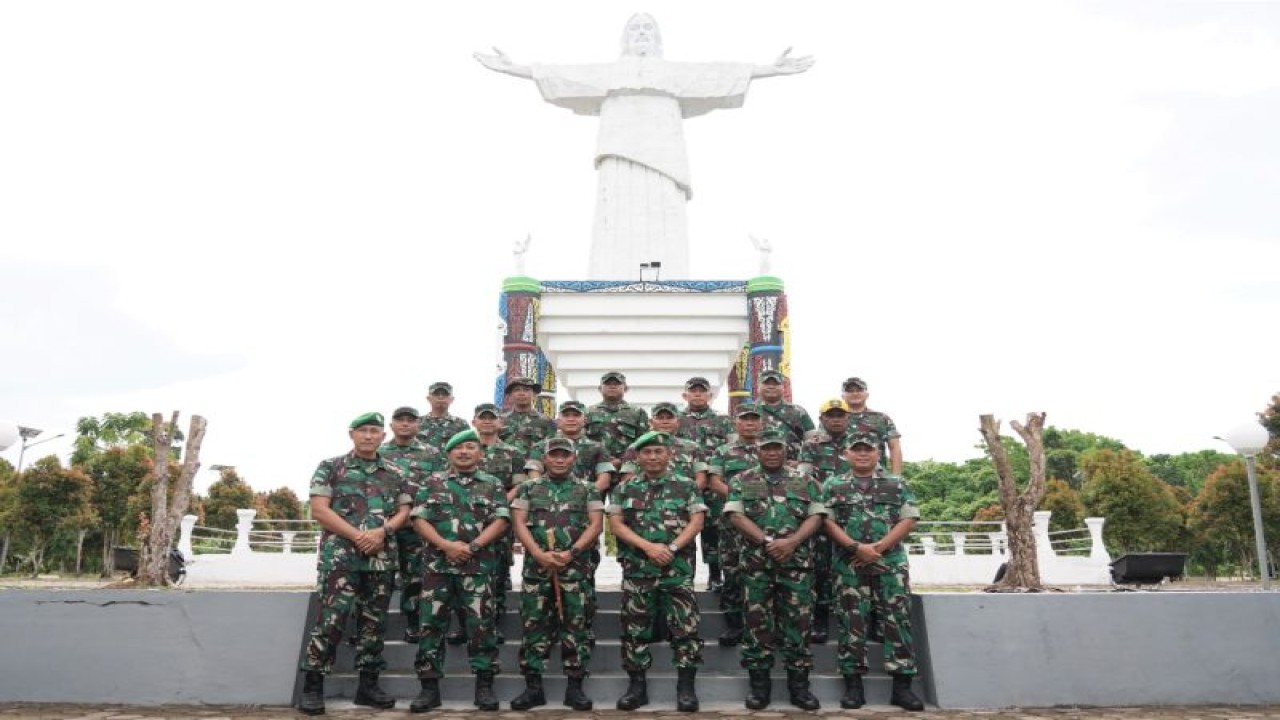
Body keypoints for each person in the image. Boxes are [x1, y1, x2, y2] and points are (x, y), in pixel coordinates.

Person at [474, 14, 813, 280]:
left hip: (665, 155)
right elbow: (562, 75)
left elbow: (717, 74)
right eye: (634, 28)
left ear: (658, 38)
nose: (641, 33)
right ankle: (610, 278)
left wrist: (769, 70)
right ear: (624, 37)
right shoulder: (608, 73)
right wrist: (514, 68)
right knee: (616, 209)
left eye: (647, 28)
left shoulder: (672, 73)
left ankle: (669, 279)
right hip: (618, 155)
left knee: (665, 207)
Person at [297, 412, 411, 716]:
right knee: (331, 620)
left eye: (375, 431)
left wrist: (382, 532)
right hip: (341, 559)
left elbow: (404, 511)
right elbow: (320, 510)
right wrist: (358, 536)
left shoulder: (395, 472)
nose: (369, 436)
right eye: (363, 431)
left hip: (381, 558)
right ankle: (313, 685)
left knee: (374, 624)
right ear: (352, 434)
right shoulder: (331, 467)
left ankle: (368, 686)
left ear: (383, 437)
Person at [408, 429, 510, 713]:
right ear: (449, 453)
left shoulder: (492, 484)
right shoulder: (432, 482)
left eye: (470, 447)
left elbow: (501, 520)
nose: (464, 452)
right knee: (430, 626)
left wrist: (473, 546)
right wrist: (446, 546)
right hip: (437, 568)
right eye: (458, 448)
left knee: (481, 627)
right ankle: (429, 689)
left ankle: (485, 686)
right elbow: (418, 519)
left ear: (480, 452)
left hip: (477, 567)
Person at [822, 433, 924, 711]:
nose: (863, 454)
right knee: (851, 623)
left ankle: (902, 688)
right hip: (849, 565)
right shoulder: (834, 484)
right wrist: (856, 547)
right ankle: (853, 686)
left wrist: (878, 548)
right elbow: (826, 521)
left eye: (868, 450)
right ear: (846, 454)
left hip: (890, 565)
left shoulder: (896, 482)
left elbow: (909, 517)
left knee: (897, 622)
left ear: (878, 454)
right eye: (857, 450)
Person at [725, 429, 825, 710]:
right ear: (758, 450)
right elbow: (735, 514)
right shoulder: (741, 480)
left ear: (785, 451)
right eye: (766, 448)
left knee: (799, 625)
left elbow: (816, 515)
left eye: (776, 448)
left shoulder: (806, 481)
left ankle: (800, 688)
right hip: (757, 565)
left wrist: (792, 542)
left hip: (797, 566)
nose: (772, 453)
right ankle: (759, 687)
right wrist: (768, 541)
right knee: (757, 625)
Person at [607, 431, 705, 712]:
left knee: (686, 629)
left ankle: (685, 687)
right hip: (639, 569)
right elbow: (616, 524)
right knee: (635, 629)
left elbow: (696, 521)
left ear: (669, 455)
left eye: (658, 452)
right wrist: (649, 547)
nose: (652, 457)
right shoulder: (625, 488)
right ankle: (637, 687)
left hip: (677, 569)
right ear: (637, 457)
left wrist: (671, 548)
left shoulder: (686, 486)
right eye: (646, 452)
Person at [508, 437, 605, 711]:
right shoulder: (528, 488)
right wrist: (538, 554)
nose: (560, 460)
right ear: (545, 459)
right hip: (537, 571)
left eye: (565, 455)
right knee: (534, 627)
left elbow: (596, 525)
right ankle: (533, 688)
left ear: (574, 458)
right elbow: (519, 523)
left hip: (575, 571)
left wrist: (571, 553)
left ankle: (574, 688)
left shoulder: (588, 490)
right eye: (554, 455)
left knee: (576, 627)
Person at [463, 403, 528, 646]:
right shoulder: (463, 449)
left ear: (500, 423)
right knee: (464, 575)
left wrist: (498, 503)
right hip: (465, 520)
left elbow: (519, 484)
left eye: (492, 418)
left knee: (497, 574)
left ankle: (495, 624)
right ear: (474, 422)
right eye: (483, 418)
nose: (488, 422)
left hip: (498, 520)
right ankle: (465, 626)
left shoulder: (513, 452)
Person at [379, 406, 445, 644]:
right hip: (383, 524)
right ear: (392, 425)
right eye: (400, 420)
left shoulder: (432, 454)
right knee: (378, 576)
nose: (405, 424)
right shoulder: (379, 452)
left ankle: (413, 622)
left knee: (415, 576)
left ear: (418, 425)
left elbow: (439, 487)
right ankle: (368, 626)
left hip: (417, 525)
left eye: (410, 420)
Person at [796, 398, 855, 644]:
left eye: (840, 415)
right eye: (830, 415)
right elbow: (804, 476)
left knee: (853, 565)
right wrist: (829, 493)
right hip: (821, 512)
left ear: (847, 418)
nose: (836, 419)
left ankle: (858, 620)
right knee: (820, 567)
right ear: (821, 420)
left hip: (854, 511)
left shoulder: (859, 444)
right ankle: (820, 618)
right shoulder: (812, 444)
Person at [706, 402, 765, 647]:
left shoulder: (772, 449)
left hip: (767, 520)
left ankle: (762, 626)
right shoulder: (723, 451)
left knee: (764, 572)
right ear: (736, 423)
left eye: (754, 419)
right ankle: (734, 625)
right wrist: (741, 497)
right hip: (732, 519)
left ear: (761, 423)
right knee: (732, 570)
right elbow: (714, 481)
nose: (750, 423)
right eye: (745, 419)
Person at [676, 376, 733, 592]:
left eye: (702, 391)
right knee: (681, 527)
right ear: (685, 395)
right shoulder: (676, 419)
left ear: (710, 395)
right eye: (693, 391)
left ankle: (715, 574)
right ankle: (682, 576)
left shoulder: (723, 421)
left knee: (714, 529)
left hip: (713, 484)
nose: (697, 394)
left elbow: (732, 450)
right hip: (682, 485)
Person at [617, 401, 707, 490]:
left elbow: (701, 480)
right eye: (660, 418)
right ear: (651, 422)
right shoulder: (636, 447)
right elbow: (628, 478)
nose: (665, 422)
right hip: (645, 499)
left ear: (678, 422)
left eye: (669, 418)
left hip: (683, 499)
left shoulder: (693, 447)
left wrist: (685, 496)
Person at [585, 371, 649, 468]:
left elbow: (643, 442)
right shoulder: (588, 412)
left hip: (628, 468)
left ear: (626, 388)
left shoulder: (638, 412)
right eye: (607, 384)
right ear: (599, 389)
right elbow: (583, 440)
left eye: (617, 384)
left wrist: (622, 461)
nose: (612, 386)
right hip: (595, 467)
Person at [841, 377, 903, 474]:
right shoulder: (833, 419)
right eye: (850, 391)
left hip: (877, 477)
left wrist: (897, 476)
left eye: (859, 390)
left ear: (867, 394)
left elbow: (894, 447)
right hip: (841, 478)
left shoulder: (881, 418)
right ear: (843, 396)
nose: (855, 393)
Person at [755, 369, 815, 459]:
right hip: (756, 466)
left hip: (791, 466)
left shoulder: (798, 411)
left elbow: (813, 443)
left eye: (776, 384)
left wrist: (801, 462)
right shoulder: (749, 411)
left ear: (783, 387)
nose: (771, 387)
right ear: (758, 387)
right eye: (766, 384)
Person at [499, 376, 557, 452]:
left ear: (534, 395)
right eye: (517, 390)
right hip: (505, 463)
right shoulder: (500, 421)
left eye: (526, 390)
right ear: (510, 396)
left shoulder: (547, 422)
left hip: (535, 463)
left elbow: (552, 449)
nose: (521, 393)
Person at [417, 381, 470, 451]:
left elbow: (468, 448)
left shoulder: (461, 424)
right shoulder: (417, 423)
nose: (440, 397)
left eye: (445, 394)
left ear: (451, 399)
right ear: (428, 399)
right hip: (423, 461)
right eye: (436, 394)